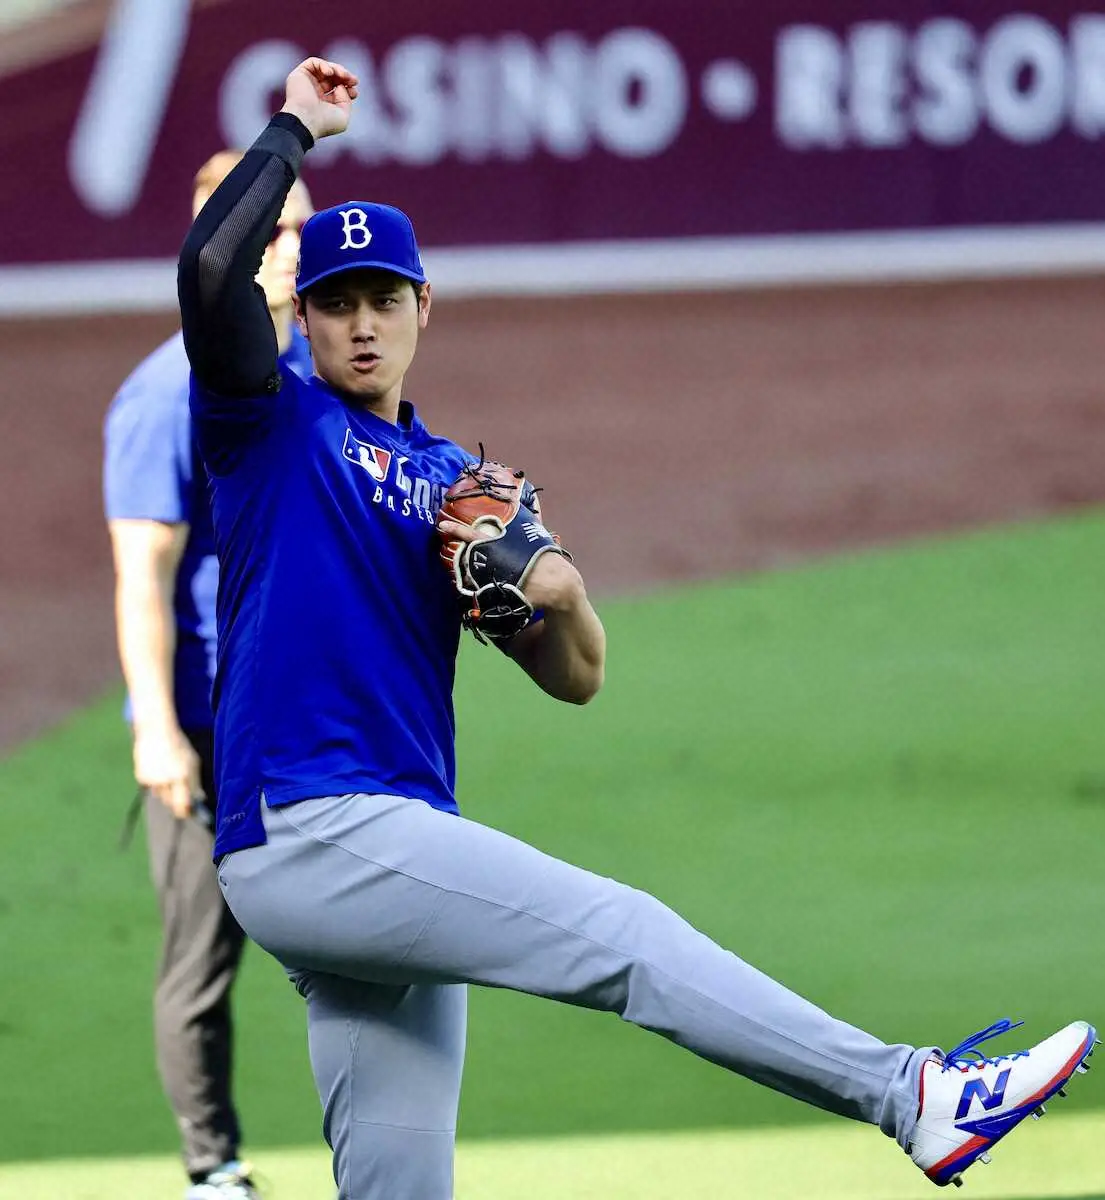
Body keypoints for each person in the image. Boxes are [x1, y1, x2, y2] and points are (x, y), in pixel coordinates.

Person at [177, 57, 1097, 1200]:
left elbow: (579, 679)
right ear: (302, 315)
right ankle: (913, 1096)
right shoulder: (267, 422)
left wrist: (562, 594)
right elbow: (209, 265)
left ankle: (912, 1099)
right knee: (625, 937)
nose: (363, 326)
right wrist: (294, 129)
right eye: (336, 303)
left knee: (400, 1185)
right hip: (310, 821)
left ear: (424, 308)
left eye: (384, 300)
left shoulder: (457, 480)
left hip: (391, 840)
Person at [104, 150, 313, 1199]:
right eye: (272, 231)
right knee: (201, 963)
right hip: (208, 722)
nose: (294, 248)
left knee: (363, 936)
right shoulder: (159, 398)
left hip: (311, 712)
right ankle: (212, 1171)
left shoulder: (317, 367)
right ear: (215, 247)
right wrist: (155, 729)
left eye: (300, 226)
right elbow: (141, 576)